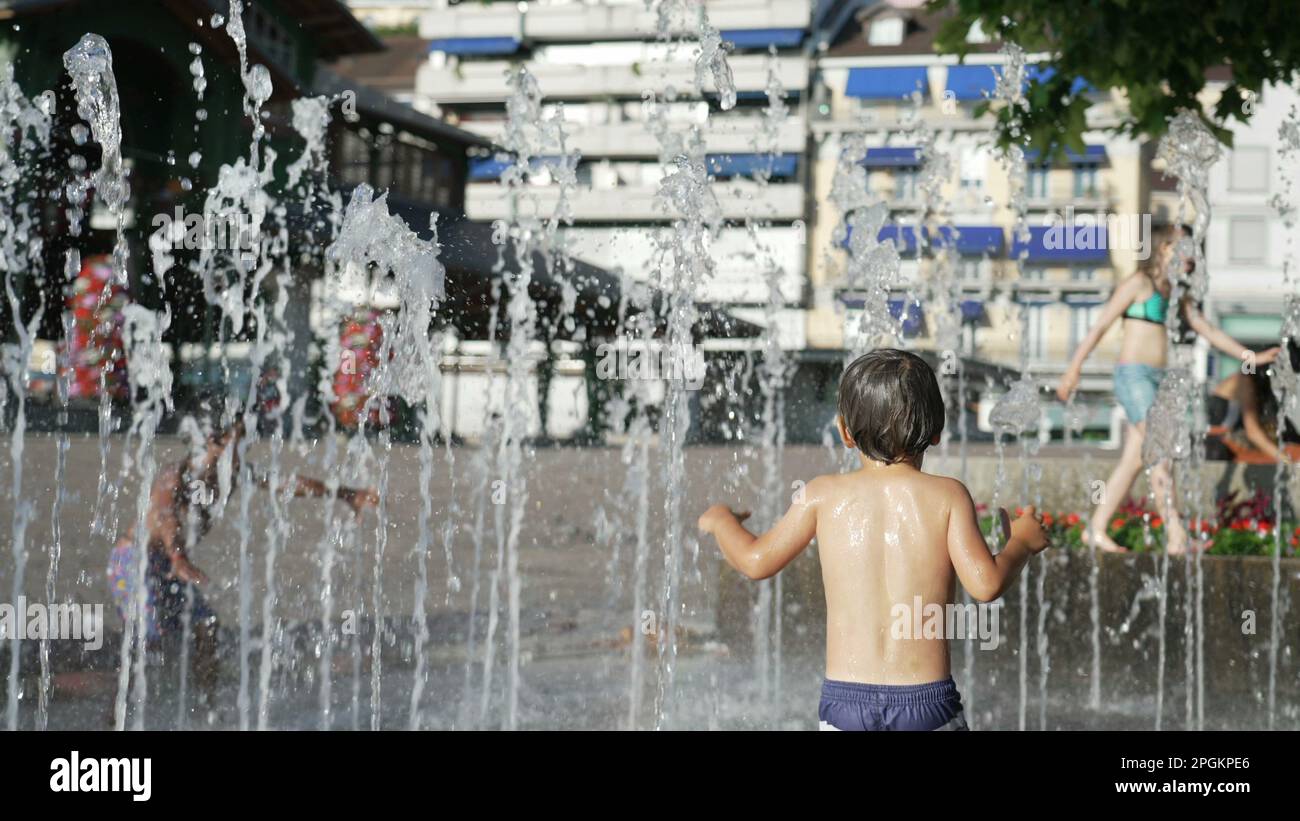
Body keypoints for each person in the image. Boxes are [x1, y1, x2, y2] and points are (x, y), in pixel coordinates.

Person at [698, 349, 1049, 731]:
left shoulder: (821, 494)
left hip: (845, 703)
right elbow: (986, 584)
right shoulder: (948, 496)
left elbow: (754, 561)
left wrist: (721, 522)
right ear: (937, 430)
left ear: (845, 431)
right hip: (925, 702)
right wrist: (1022, 543)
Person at [106, 411, 379, 703]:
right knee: (147, 641)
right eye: (239, 440)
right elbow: (164, 513)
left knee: (206, 625)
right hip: (134, 561)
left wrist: (347, 494)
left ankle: (206, 709)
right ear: (214, 442)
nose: (245, 447)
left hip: (173, 564)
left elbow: (286, 484)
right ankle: (114, 715)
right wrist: (176, 555)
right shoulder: (177, 474)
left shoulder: (233, 474)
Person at [1055, 224, 1278, 553]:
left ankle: (1095, 529)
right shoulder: (1138, 284)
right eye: (1184, 248)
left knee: (1134, 459)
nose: (1191, 257)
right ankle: (1176, 537)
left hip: (1157, 382)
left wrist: (1251, 356)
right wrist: (1073, 369)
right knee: (1161, 452)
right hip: (1133, 377)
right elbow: (1101, 325)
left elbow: (1209, 331)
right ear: (1164, 248)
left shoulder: (1176, 293)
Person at [1205, 340, 1300, 463]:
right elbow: (1253, 432)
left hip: (1233, 444)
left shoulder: (1259, 385)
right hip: (1220, 447)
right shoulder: (1244, 381)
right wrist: (1285, 460)